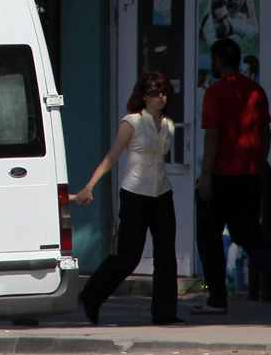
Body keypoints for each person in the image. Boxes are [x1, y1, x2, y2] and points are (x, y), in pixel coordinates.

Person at [74, 71, 181, 325]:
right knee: (129, 256)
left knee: (166, 254)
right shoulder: (131, 123)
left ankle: (165, 313)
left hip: (162, 193)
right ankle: (91, 295)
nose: (160, 96)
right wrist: (89, 187)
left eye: (164, 91)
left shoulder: (168, 125)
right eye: (154, 92)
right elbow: (111, 157)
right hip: (135, 194)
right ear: (143, 96)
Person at [194, 38, 271, 316]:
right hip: (249, 176)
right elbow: (265, 131)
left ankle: (216, 299)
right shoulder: (256, 91)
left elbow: (212, 133)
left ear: (217, 60)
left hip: (221, 175)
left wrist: (205, 176)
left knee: (208, 233)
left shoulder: (215, 92)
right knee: (248, 234)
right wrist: (260, 164)